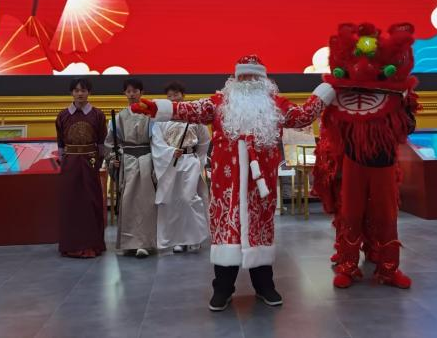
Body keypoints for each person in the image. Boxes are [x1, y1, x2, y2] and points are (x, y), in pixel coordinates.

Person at [132, 55, 336, 311]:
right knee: (226, 232)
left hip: (260, 186)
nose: (249, 81)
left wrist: (329, 88)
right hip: (226, 185)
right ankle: (223, 288)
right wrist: (157, 109)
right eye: (244, 76)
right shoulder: (219, 102)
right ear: (235, 79)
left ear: (263, 80)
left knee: (260, 231)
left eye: (254, 77)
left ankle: (265, 286)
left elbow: (303, 116)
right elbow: (191, 109)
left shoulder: (275, 104)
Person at [312, 22, 419, 289]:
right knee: (350, 214)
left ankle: (389, 268)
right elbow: (331, 130)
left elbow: (408, 127)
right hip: (353, 162)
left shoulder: (397, 97)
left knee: (386, 216)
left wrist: (402, 105)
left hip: (384, 164)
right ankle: (347, 266)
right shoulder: (341, 98)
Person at [151, 81, 210, 253]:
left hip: (190, 161)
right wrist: (170, 152)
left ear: (183, 95)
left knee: (188, 198)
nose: (173, 98)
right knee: (172, 201)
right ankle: (178, 239)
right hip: (170, 163)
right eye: (169, 95)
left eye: (176, 94)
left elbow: (204, 140)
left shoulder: (193, 116)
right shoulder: (161, 119)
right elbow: (157, 141)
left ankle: (194, 238)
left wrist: (199, 160)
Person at [104, 78, 157, 258]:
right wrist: (114, 158)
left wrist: (156, 162)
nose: (132, 94)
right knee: (127, 201)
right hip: (127, 161)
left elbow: (157, 141)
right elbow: (111, 143)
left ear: (142, 93)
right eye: (128, 91)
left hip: (147, 160)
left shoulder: (151, 116)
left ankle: (145, 243)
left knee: (146, 201)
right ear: (124, 93)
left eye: (135, 91)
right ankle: (129, 243)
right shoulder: (119, 117)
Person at [55, 78, 107, 258]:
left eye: (83, 90)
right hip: (70, 164)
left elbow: (102, 142)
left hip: (90, 163)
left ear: (89, 92)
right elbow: (60, 144)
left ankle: (92, 244)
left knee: (91, 202)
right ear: (71, 93)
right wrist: (64, 162)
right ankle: (71, 245)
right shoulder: (63, 115)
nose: (80, 94)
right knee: (71, 202)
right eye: (76, 90)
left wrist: (97, 162)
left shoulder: (98, 115)